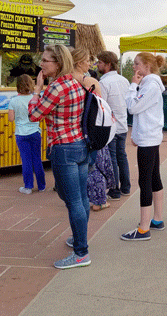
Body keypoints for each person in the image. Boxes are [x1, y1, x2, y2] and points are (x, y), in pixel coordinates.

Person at [29, 45, 91, 269]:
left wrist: (37, 91)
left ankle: (81, 253)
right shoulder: (75, 83)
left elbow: (34, 115)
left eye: (46, 61)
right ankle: (79, 238)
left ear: (58, 63)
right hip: (80, 144)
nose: (41, 64)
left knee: (72, 200)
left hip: (63, 148)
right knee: (81, 198)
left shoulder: (55, 87)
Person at [121, 52, 167, 241]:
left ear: (147, 66)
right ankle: (157, 219)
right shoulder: (150, 85)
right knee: (154, 178)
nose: (134, 67)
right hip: (149, 137)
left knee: (145, 181)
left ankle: (143, 228)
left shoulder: (150, 86)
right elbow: (143, 113)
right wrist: (137, 134)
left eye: (137, 63)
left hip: (149, 138)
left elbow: (132, 108)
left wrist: (132, 86)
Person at [72, 49, 110, 212]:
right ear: (79, 62)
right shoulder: (90, 81)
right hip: (90, 129)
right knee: (95, 166)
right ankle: (99, 200)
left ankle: (80, 198)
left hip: (73, 130)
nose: (90, 64)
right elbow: (101, 106)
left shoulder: (63, 80)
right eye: (87, 60)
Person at [97, 51, 131, 199]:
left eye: (100, 62)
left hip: (110, 126)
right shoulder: (124, 80)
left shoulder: (103, 83)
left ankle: (114, 190)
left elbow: (102, 106)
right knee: (122, 156)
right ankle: (126, 187)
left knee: (112, 158)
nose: (97, 65)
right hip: (123, 123)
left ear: (108, 64)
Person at [8, 74, 46, 195]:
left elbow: (10, 118)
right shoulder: (35, 99)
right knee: (37, 159)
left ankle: (28, 186)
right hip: (35, 132)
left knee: (26, 160)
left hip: (21, 134)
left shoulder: (14, 100)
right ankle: (42, 185)